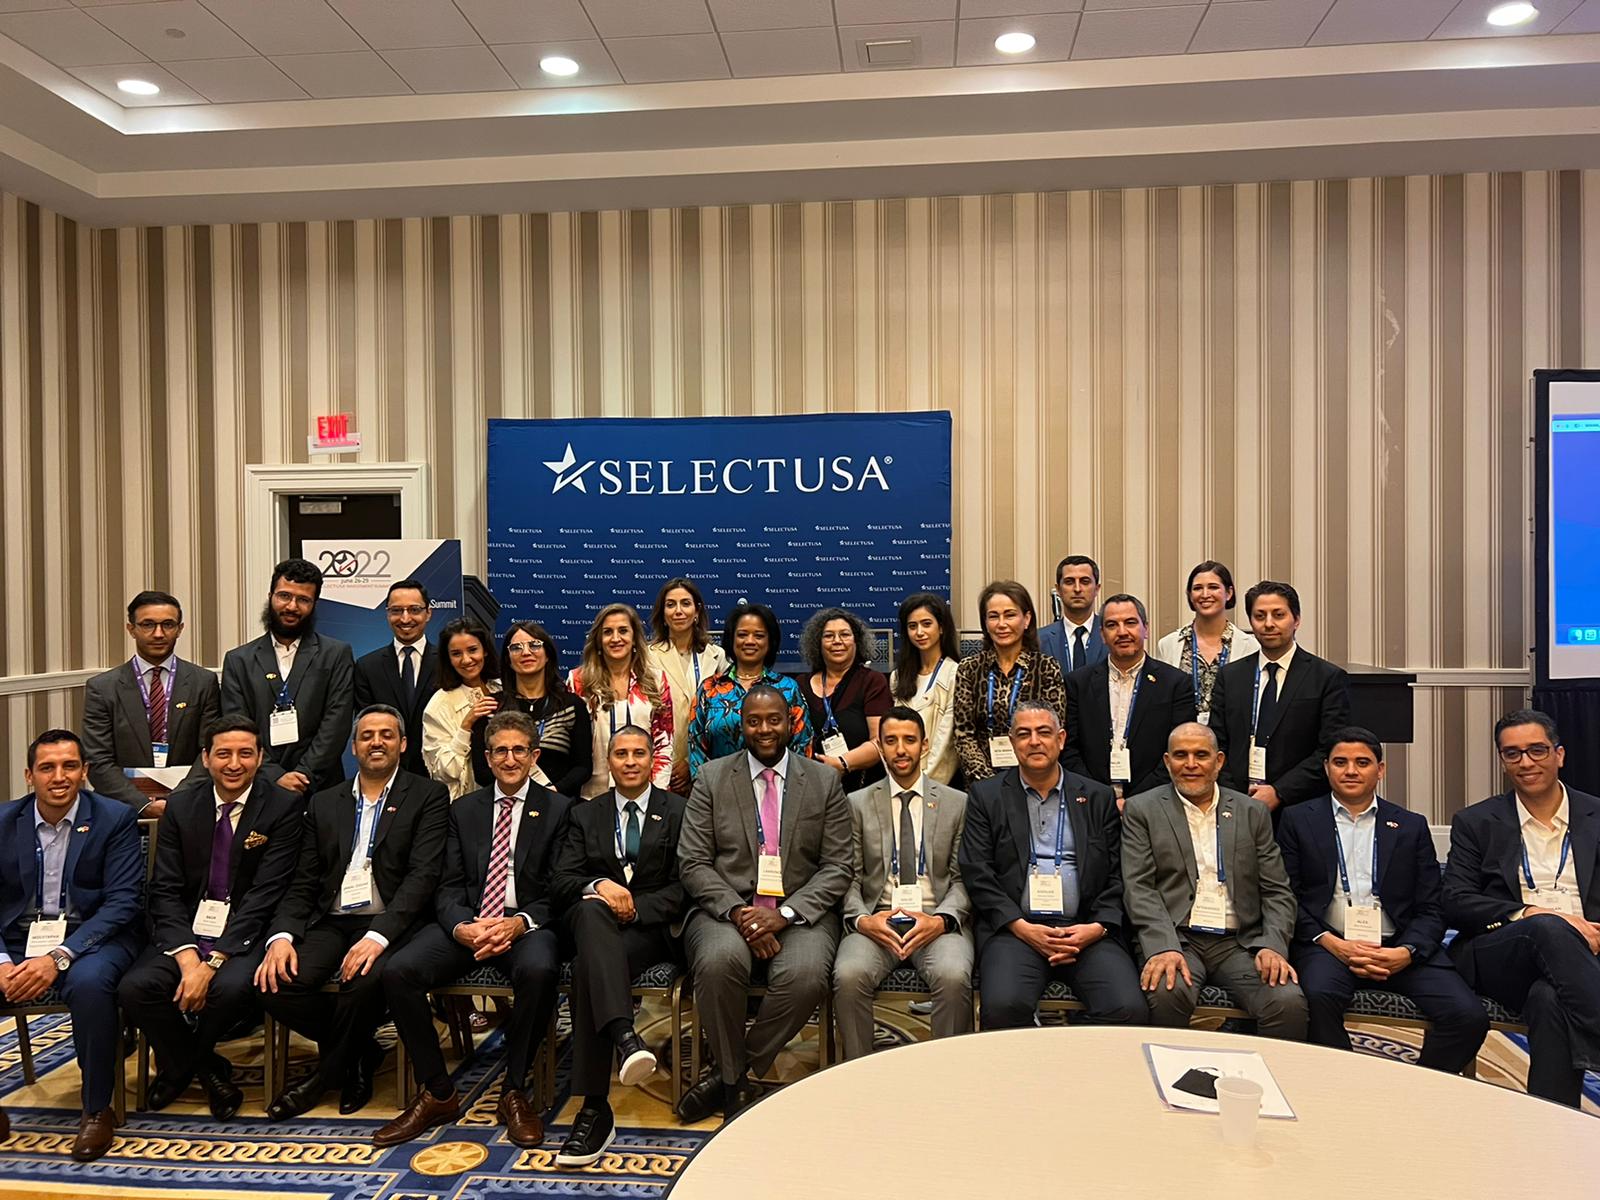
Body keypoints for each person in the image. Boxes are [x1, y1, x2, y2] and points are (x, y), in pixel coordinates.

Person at [375, 711, 572, 1148]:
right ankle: (438, 1092)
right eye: (500, 750)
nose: (509, 759)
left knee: (540, 970)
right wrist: (462, 926)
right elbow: (446, 884)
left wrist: (518, 923)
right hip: (469, 922)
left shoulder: (559, 810)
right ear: (486, 757)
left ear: (534, 755)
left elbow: (561, 887)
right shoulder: (463, 809)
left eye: (519, 750)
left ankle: (514, 1090)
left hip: (526, 924)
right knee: (399, 971)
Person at [255, 705, 450, 1120]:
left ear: (403, 744)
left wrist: (377, 937)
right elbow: (304, 880)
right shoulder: (325, 802)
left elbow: (423, 877)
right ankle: (362, 1052)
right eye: (367, 735)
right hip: (332, 919)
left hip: (391, 922)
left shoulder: (428, 796)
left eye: (386, 735)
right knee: (274, 983)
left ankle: (324, 1078)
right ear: (354, 747)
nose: (376, 742)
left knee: (362, 982)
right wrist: (282, 936)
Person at [676, 684, 852, 1122]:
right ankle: (734, 1082)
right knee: (718, 961)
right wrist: (741, 914)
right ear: (742, 726)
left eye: (774, 719)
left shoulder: (824, 781)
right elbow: (693, 862)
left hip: (800, 911)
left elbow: (837, 866)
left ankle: (731, 1072)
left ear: (790, 722)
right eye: (753, 721)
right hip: (726, 909)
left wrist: (784, 915)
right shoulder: (712, 778)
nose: (764, 729)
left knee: (806, 975)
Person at [118, 715, 307, 1119]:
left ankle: (179, 1067)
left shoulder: (283, 806)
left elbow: (266, 894)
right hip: (186, 929)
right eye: (223, 754)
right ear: (206, 758)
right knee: (136, 988)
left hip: (245, 932)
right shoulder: (182, 806)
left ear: (260, 758)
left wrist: (214, 962)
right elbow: (165, 889)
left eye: (245, 754)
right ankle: (206, 1069)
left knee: (230, 989)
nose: (234, 764)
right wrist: (189, 959)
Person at [1277, 728, 1487, 1073]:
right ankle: (1346, 1083)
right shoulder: (1298, 820)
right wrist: (1331, 943)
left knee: (1468, 1016)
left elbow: (1432, 907)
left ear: (1381, 770)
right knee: (1316, 998)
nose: (1351, 771)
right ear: (1326, 768)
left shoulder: (1410, 825)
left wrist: (1406, 952)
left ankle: (1417, 1087)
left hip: (1400, 946)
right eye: (1340, 762)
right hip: (1329, 945)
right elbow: (1287, 896)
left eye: (1362, 763)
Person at [1442, 710, 1600, 1107]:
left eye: (1537, 750)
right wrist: (1530, 913)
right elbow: (1455, 900)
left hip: (1586, 953)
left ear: (1559, 754)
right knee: (1547, 927)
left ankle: (1551, 1121)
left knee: (1548, 999)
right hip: (1505, 951)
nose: (1525, 762)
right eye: (1513, 753)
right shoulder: (1476, 821)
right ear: (1503, 761)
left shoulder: (1596, 815)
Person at [0, 730, 142, 1161]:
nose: (59, 776)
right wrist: (2, 961)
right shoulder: (4, 821)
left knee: (90, 984)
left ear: (85, 772)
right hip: (18, 938)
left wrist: (58, 956)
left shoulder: (114, 817)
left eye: (69, 766)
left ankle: (97, 1109)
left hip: (95, 938)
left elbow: (123, 903)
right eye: (47, 767)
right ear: (29, 775)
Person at [959, 702, 1144, 1031]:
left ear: (1061, 739)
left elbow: (1118, 874)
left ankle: (1076, 1063)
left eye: (1043, 732)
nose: (1034, 741)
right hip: (1016, 931)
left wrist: (1097, 928)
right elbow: (978, 871)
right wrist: (1021, 927)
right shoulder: (987, 796)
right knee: (1002, 1007)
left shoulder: (1097, 797)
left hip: (1085, 929)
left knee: (1127, 1008)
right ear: (1012, 742)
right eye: (1024, 734)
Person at [550, 726, 687, 1165]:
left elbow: (686, 885)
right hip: (596, 924)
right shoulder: (584, 814)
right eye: (621, 754)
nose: (630, 762)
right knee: (591, 912)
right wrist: (599, 885)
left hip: (649, 931)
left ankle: (594, 1109)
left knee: (589, 968)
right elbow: (562, 880)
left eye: (639, 753)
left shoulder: (678, 810)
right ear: (607, 762)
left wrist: (635, 908)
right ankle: (625, 1039)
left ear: (653, 759)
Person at [1121, 723, 1307, 1038]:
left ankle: (1265, 1071)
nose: (1191, 764)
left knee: (1286, 1002)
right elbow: (1139, 887)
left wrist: (1273, 945)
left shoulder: (1251, 812)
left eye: (1201, 755)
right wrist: (1163, 946)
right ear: (1167, 761)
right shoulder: (1143, 809)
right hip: (1178, 937)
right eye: (1181, 755)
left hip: (1240, 943)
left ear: (1218, 761)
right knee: (1167, 990)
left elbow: (1277, 891)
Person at [834, 706, 972, 1058]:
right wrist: (862, 920)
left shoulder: (957, 803)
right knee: (848, 976)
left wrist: (941, 920)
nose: (900, 749)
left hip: (935, 918)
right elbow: (847, 876)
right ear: (880, 746)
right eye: (891, 741)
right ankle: (860, 1074)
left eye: (909, 740)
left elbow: (963, 879)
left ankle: (947, 1073)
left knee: (953, 975)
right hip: (877, 918)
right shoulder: (856, 803)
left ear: (924, 745)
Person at [1210, 580, 1351, 814]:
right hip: (1236, 804)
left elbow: (1330, 750)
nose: (1268, 624)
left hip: (1300, 806)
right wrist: (1234, 795)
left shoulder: (1326, 677)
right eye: (1259, 616)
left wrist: (1279, 792)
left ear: (1296, 620)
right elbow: (1217, 743)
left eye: (1278, 615)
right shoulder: (1230, 676)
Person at [221, 558, 355, 795]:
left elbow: (336, 724)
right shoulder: (238, 660)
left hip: (320, 787)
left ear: (314, 604)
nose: (292, 606)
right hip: (258, 785)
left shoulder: (336, 654)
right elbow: (237, 727)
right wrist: (275, 776)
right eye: (284, 596)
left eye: (303, 599)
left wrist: (304, 774)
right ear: (270, 596)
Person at [81, 589, 222, 817]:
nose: (158, 633)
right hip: (123, 809)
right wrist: (143, 805)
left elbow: (209, 750)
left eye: (168, 624)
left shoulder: (203, 682)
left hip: (189, 806)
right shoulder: (102, 688)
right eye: (148, 625)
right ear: (131, 629)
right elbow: (98, 759)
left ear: (180, 629)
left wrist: (176, 801)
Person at [1063, 594, 1195, 803]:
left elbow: (1179, 750)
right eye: (1112, 625)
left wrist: (1138, 801)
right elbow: (1068, 749)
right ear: (1102, 635)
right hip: (1091, 802)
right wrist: (1099, 797)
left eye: (1131, 623)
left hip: (1155, 802)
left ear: (1146, 629)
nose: (1122, 632)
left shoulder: (1176, 684)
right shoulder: (1077, 683)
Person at [951, 580, 1067, 784]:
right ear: (985, 623)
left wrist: (1023, 779)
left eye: (1010, 615)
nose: (1001, 624)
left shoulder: (1047, 668)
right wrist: (989, 783)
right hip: (981, 783)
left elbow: (1051, 731)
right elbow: (963, 735)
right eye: (993, 616)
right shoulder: (969, 669)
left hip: (1034, 780)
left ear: (1026, 619)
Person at [686, 603, 814, 778]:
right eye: (742, 635)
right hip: (719, 788)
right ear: (731, 639)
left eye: (759, 635)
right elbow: (696, 748)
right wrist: (708, 787)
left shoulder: (787, 689)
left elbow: (802, 746)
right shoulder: (709, 689)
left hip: (776, 788)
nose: (750, 641)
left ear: (770, 641)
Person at [568, 604, 673, 799]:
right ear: (598, 640)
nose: (616, 638)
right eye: (608, 632)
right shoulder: (578, 681)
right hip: (591, 795)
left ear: (634, 638)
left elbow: (663, 743)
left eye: (623, 631)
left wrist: (657, 793)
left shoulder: (656, 680)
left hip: (644, 793)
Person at [474, 621, 591, 796]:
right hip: (507, 803)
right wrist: (519, 793)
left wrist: (553, 793)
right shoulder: (491, 706)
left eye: (534, 645)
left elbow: (583, 767)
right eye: (516, 648)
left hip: (558, 803)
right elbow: (481, 771)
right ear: (508, 659)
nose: (526, 652)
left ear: (547, 654)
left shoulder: (572, 705)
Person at [646, 578, 728, 794]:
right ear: (662, 614)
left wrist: (690, 762)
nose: (678, 611)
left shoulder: (716, 656)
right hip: (659, 767)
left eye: (685, 603)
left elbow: (721, 717)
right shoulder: (647, 657)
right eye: (670, 605)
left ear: (697, 611)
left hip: (706, 766)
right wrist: (667, 763)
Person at [798, 607, 891, 794]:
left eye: (845, 635)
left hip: (863, 791)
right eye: (828, 636)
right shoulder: (799, 685)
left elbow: (880, 741)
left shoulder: (872, 681)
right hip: (810, 789)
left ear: (857, 641)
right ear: (817, 643)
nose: (837, 641)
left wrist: (842, 763)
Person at [1153, 561, 1259, 723]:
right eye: (1197, 588)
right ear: (1190, 595)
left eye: (1213, 587)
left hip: (1232, 733)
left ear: (1229, 593)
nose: (1205, 594)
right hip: (1181, 734)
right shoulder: (1168, 645)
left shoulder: (1251, 646)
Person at [353, 579, 438, 778]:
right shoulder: (367, 666)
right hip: (386, 775)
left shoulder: (448, 663)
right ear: (387, 614)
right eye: (397, 611)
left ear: (428, 613)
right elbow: (367, 726)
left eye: (414, 610)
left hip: (438, 774)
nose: (405, 618)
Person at [421, 618, 502, 800]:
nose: (466, 660)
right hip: (466, 802)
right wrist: (466, 726)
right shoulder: (439, 704)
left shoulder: (502, 688)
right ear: (448, 659)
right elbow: (442, 771)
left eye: (472, 650)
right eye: (456, 654)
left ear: (485, 650)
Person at [888, 592, 960, 785]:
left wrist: (924, 784)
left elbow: (946, 739)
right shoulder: (898, 677)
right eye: (912, 626)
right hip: (901, 779)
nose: (919, 632)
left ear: (941, 627)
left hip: (938, 782)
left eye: (927, 624)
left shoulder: (955, 673)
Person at [1038, 555, 1106, 676]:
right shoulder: (1039, 639)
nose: (1077, 589)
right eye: (1069, 582)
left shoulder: (1112, 635)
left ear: (1097, 588)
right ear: (1058, 589)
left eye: (1085, 582)